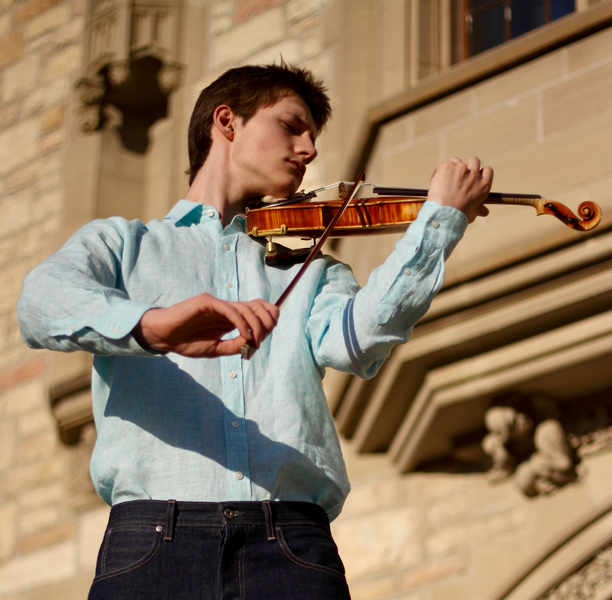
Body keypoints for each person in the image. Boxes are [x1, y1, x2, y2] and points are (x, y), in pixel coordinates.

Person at [17, 63, 493, 600]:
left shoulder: (309, 268)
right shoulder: (125, 245)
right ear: (227, 121)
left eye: (312, 136)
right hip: (151, 541)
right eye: (292, 126)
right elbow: (39, 302)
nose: (309, 149)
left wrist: (439, 222)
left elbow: (357, 341)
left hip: (290, 542)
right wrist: (151, 325)